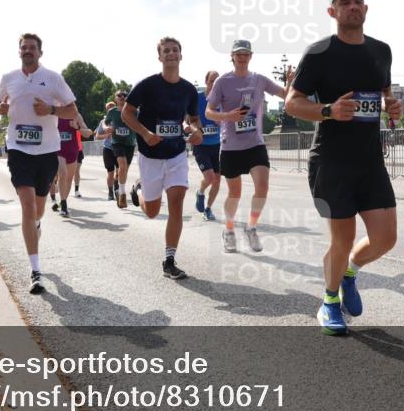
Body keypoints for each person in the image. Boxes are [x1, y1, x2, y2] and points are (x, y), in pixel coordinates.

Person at [285, 0, 403, 335]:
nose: (353, 6)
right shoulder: (319, 53)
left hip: (370, 161)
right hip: (331, 161)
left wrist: (392, 106)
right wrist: (329, 110)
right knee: (343, 237)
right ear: (332, 12)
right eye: (345, 2)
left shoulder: (382, 51)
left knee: (386, 238)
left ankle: (349, 271)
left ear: (366, 10)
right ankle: (329, 301)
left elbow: (384, 94)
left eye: (358, 2)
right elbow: (293, 102)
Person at [0, 33, 79, 294]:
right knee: (28, 206)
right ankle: (35, 270)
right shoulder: (9, 78)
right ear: (18, 51)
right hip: (18, 148)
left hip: (47, 151)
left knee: (38, 210)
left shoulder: (53, 78)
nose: (27, 51)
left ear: (40, 53)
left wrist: (52, 111)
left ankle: (37, 224)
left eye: (32, 48)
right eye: (24, 47)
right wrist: (0, 109)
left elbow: (72, 110)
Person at [122, 36, 203, 280]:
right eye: (166, 50)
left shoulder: (189, 89)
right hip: (150, 155)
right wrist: (145, 133)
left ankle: (169, 260)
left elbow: (193, 119)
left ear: (181, 55)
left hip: (177, 153)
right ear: (160, 57)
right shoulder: (147, 85)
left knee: (177, 203)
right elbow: (127, 113)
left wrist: (197, 131)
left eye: (174, 50)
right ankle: (140, 192)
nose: (170, 53)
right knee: (152, 212)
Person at [206, 41, 292, 252]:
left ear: (251, 56)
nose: (242, 57)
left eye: (246, 54)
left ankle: (251, 228)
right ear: (232, 56)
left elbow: (284, 95)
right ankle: (228, 230)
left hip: (255, 143)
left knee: (262, 186)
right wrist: (228, 116)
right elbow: (209, 112)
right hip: (231, 146)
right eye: (238, 54)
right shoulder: (222, 82)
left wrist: (291, 82)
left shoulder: (259, 79)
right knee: (234, 193)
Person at [193, 71, 222, 221]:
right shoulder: (197, 97)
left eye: (217, 81)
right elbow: (188, 117)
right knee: (210, 177)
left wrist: (221, 121)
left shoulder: (221, 99)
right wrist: (196, 126)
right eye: (212, 81)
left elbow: (225, 120)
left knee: (217, 180)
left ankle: (208, 209)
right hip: (200, 144)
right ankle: (201, 191)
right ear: (206, 81)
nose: (214, 84)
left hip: (216, 144)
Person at [104, 90, 138, 208]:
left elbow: (141, 123)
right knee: (122, 166)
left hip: (130, 143)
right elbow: (105, 122)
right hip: (117, 142)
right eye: (119, 95)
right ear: (116, 98)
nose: (122, 97)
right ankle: (122, 193)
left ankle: (119, 189)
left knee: (124, 170)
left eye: (125, 95)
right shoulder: (112, 112)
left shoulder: (134, 111)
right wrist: (107, 127)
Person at [97, 102, 118, 200]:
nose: (111, 110)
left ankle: (117, 187)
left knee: (119, 172)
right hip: (108, 149)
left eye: (112, 108)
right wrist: (106, 135)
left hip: (120, 147)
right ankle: (110, 192)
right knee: (110, 172)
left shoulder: (121, 119)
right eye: (109, 109)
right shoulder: (104, 121)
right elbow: (97, 136)